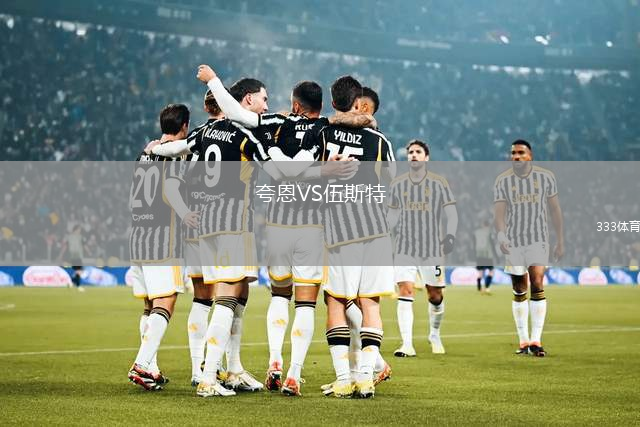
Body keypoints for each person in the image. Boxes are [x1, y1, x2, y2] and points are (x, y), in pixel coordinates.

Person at [199, 64, 367, 396]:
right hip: (311, 225)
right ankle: (294, 374)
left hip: (276, 222)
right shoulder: (326, 129)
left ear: (295, 104)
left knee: (279, 296)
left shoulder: (276, 122)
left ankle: (274, 361)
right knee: (305, 304)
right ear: (320, 106)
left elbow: (234, 112)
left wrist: (214, 81)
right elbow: (349, 128)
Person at [301, 75, 396, 398]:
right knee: (370, 304)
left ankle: (344, 378)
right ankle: (365, 378)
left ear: (333, 103)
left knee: (336, 302)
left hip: (340, 230)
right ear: (359, 103)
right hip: (376, 230)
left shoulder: (321, 134)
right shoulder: (380, 141)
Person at [127, 104, 198, 390]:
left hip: (138, 235)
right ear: (184, 125)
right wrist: (186, 214)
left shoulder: (145, 154)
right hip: (162, 236)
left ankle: (151, 367)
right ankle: (141, 363)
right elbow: (171, 189)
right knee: (165, 302)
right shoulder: (176, 154)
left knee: (149, 305)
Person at [494, 139, 564, 357]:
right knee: (519, 288)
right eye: (513, 153)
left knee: (537, 281)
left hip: (538, 239)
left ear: (530, 155)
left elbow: (555, 210)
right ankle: (523, 340)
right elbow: (499, 213)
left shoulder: (545, 177)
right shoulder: (503, 180)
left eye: (521, 153)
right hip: (514, 241)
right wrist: (501, 235)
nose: (516, 156)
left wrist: (560, 240)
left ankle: (536, 340)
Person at [388, 140, 457, 357]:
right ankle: (407, 344)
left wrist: (450, 236)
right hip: (404, 247)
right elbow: (392, 215)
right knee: (405, 290)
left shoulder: (438, 183)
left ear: (426, 157)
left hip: (432, 248)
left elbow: (451, 213)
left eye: (418, 152)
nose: (413, 155)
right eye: (410, 152)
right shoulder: (398, 184)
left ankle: (434, 334)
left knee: (435, 295)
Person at [474, 220, 495, 294]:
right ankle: (486, 287)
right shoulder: (489, 233)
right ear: (488, 226)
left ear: (482, 225)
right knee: (491, 271)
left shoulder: (477, 232)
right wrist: (496, 256)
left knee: (480, 272)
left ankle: (479, 287)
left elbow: (474, 243)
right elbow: (492, 244)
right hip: (487, 255)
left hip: (479, 255)